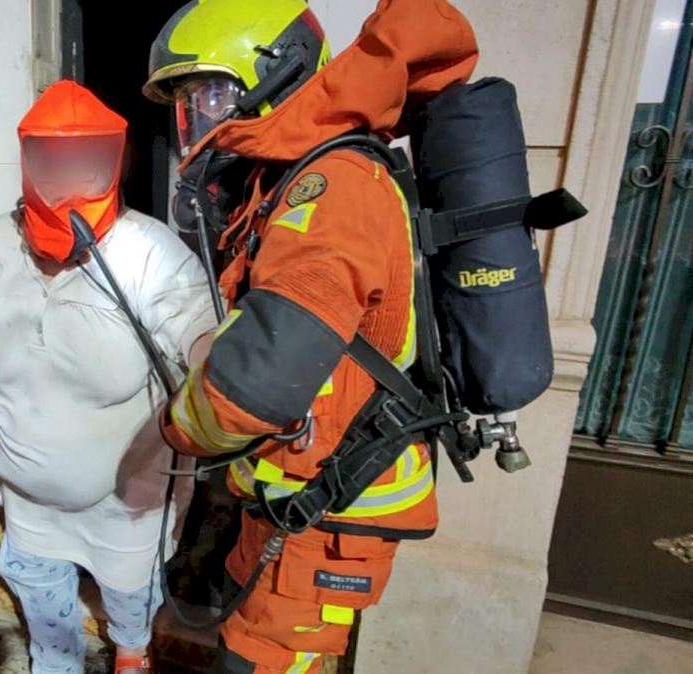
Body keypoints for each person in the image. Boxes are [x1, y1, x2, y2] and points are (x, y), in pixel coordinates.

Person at [143, 1, 479, 672]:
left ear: (280, 72)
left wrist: (176, 427)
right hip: (296, 492)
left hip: (329, 506)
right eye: (187, 104)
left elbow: (254, 387)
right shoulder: (294, 178)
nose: (198, 120)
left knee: (258, 662)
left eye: (210, 95)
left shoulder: (329, 190)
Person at [0, 80, 215, 674]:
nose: (67, 179)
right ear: (27, 160)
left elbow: (201, 333)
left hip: (127, 503)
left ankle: (132, 650)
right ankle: (53, 662)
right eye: (52, 161)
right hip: (28, 498)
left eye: (86, 162)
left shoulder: (150, 253)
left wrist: (238, 375)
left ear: (114, 162)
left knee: (131, 597)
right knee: (40, 596)